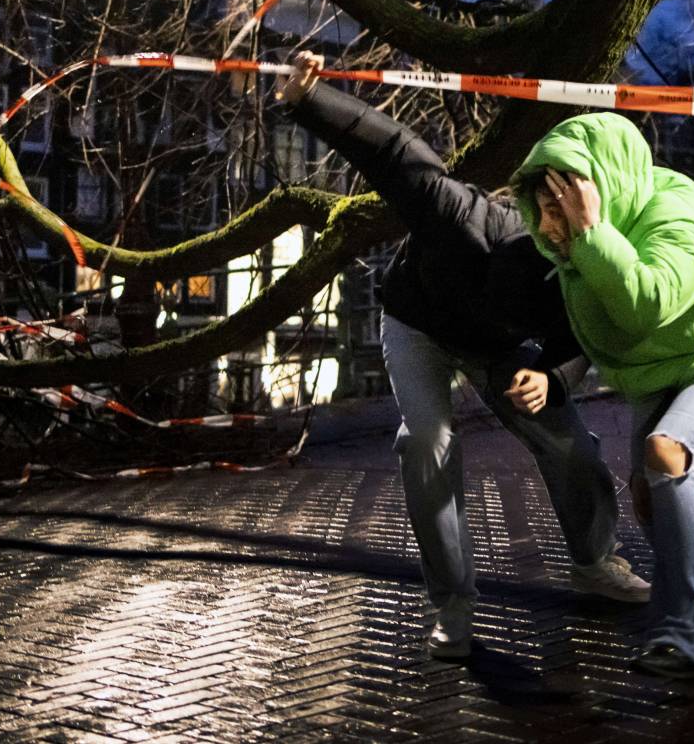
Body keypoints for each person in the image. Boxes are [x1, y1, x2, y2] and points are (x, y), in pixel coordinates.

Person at [278, 53, 649, 661]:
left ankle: (594, 561)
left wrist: (551, 377)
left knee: (570, 445)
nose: (557, 236)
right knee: (428, 441)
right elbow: (393, 148)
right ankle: (452, 603)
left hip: (500, 348)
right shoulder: (455, 213)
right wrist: (310, 99)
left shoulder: (578, 272)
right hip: (418, 323)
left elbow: (582, 336)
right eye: (546, 223)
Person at [514, 113, 694, 678]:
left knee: (666, 452)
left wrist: (592, 231)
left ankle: (687, 636)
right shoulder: (581, 241)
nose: (545, 226)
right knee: (651, 501)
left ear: (599, 191)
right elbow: (598, 326)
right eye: (541, 209)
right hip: (666, 361)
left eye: (556, 209)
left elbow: (646, 306)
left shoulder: (674, 211)